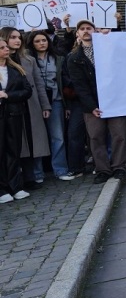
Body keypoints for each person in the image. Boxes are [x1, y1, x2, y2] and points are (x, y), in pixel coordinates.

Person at [66, 20, 126, 183]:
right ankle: (102, 169)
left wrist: (110, 36)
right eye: (82, 29)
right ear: (77, 33)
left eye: (89, 28)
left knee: (119, 135)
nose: (86, 31)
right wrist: (91, 106)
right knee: (95, 137)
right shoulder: (74, 58)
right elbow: (79, 85)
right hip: (91, 104)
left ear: (95, 30)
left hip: (114, 100)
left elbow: (124, 52)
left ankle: (119, 167)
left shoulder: (108, 48)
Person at [0, 28, 51, 190]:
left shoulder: (28, 59)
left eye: (19, 37)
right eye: (13, 37)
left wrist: (45, 105)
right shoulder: (4, 62)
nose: (17, 40)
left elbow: (39, 84)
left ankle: (31, 176)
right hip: (9, 108)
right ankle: (14, 181)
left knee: (30, 139)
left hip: (30, 105)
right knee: (15, 143)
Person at [26, 31, 76, 180]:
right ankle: (37, 173)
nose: (42, 43)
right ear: (31, 44)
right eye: (37, 41)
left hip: (56, 100)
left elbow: (63, 81)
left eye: (44, 40)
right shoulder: (27, 59)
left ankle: (60, 170)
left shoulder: (58, 58)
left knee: (58, 137)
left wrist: (67, 105)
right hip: (35, 102)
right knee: (37, 137)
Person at [0, 38, 32, 202]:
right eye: (2, 47)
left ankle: (15, 186)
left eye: (6, 47)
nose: (6, 49)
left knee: (14, 150)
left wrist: (8, 95)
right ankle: (2, 189)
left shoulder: (15, 69)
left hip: (14, 114)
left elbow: (27, 91)